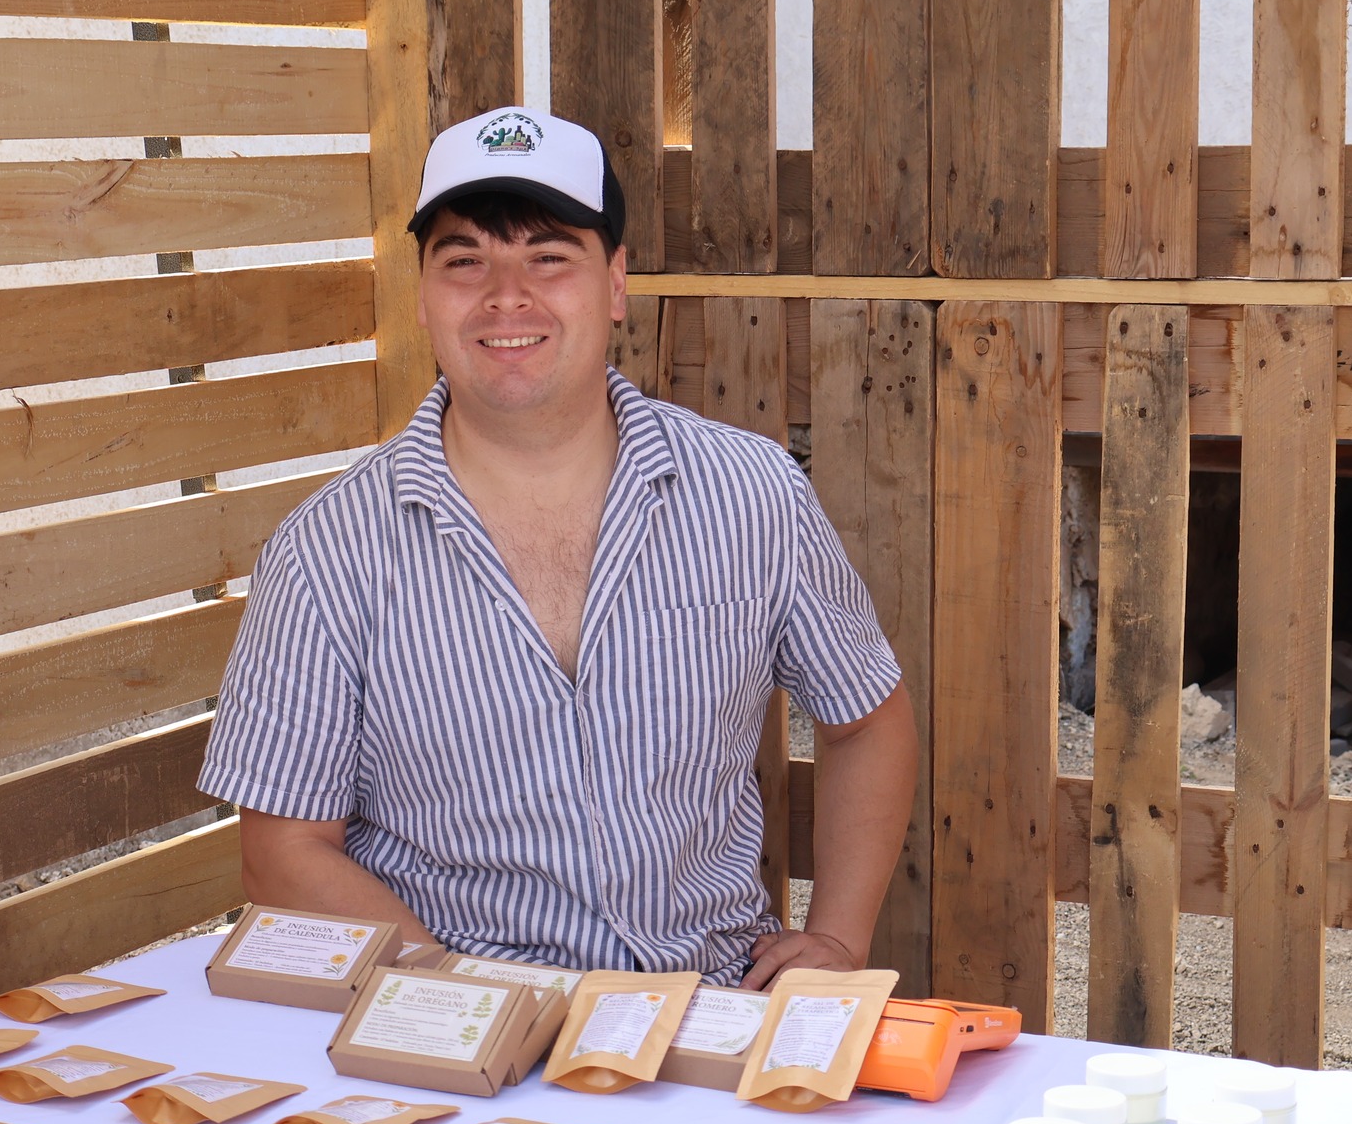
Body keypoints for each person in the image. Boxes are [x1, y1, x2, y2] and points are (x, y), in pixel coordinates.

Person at [196, 106, 917, 989]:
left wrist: (838, 940)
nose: (508, 296)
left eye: (548, 256)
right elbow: (281, 849)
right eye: (466, 261)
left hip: (711, 1011)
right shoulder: (328, 552)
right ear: (422, 294)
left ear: (615, 283)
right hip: (455, 1034)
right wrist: (467, 1002)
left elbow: (867, 718)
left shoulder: (751, 493)